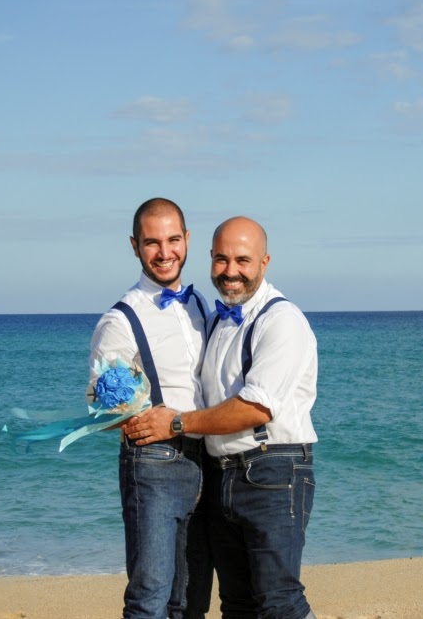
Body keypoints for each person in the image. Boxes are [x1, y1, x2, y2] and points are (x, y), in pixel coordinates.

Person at [127, 216, 319, 619]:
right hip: (222, 475)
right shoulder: (216, 319)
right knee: (237, 604)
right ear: (210, 258)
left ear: (264, 262)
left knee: (281, 601)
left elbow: (256, 407)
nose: (231, 271)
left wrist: (176, 423)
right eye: (221, 259)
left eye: (243, 260)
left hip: (273, 471)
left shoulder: (282, 320)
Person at [88, 198, 211, 619]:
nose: (164, 252)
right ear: (134, 246)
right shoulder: (120, 320)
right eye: (151, 242)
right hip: (154, 464)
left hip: (206, 461)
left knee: (191, 600)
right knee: (150, 598)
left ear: (187, 239)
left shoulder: (199, 305)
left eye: (173, 240)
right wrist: (129, 415)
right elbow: (100, 410)